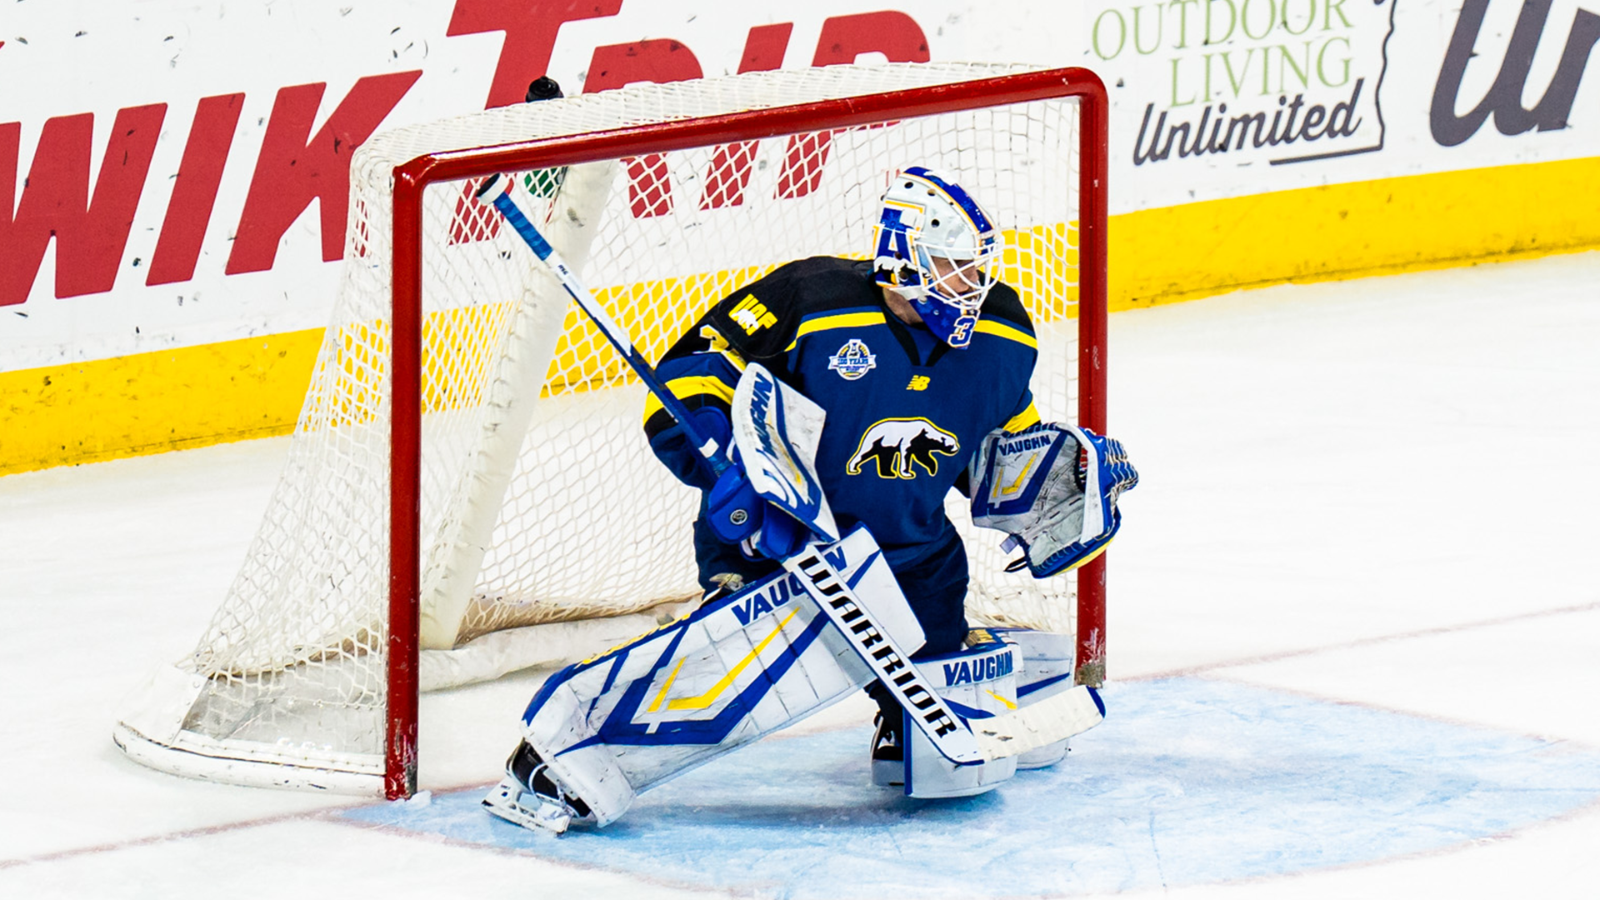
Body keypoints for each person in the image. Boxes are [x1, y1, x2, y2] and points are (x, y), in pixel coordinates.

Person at [642, 166, 1121, 782]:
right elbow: (688, 377)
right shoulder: (808, 299)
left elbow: (997, 455)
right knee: (712, 689)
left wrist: (1062, 487)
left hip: (911, 555)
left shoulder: (1002, 331)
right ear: (903, 260)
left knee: (933, 762)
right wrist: (719, 465)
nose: (969, 285)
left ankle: (902, 715)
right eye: (951, 267)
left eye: (974, 268)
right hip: (779, 539)